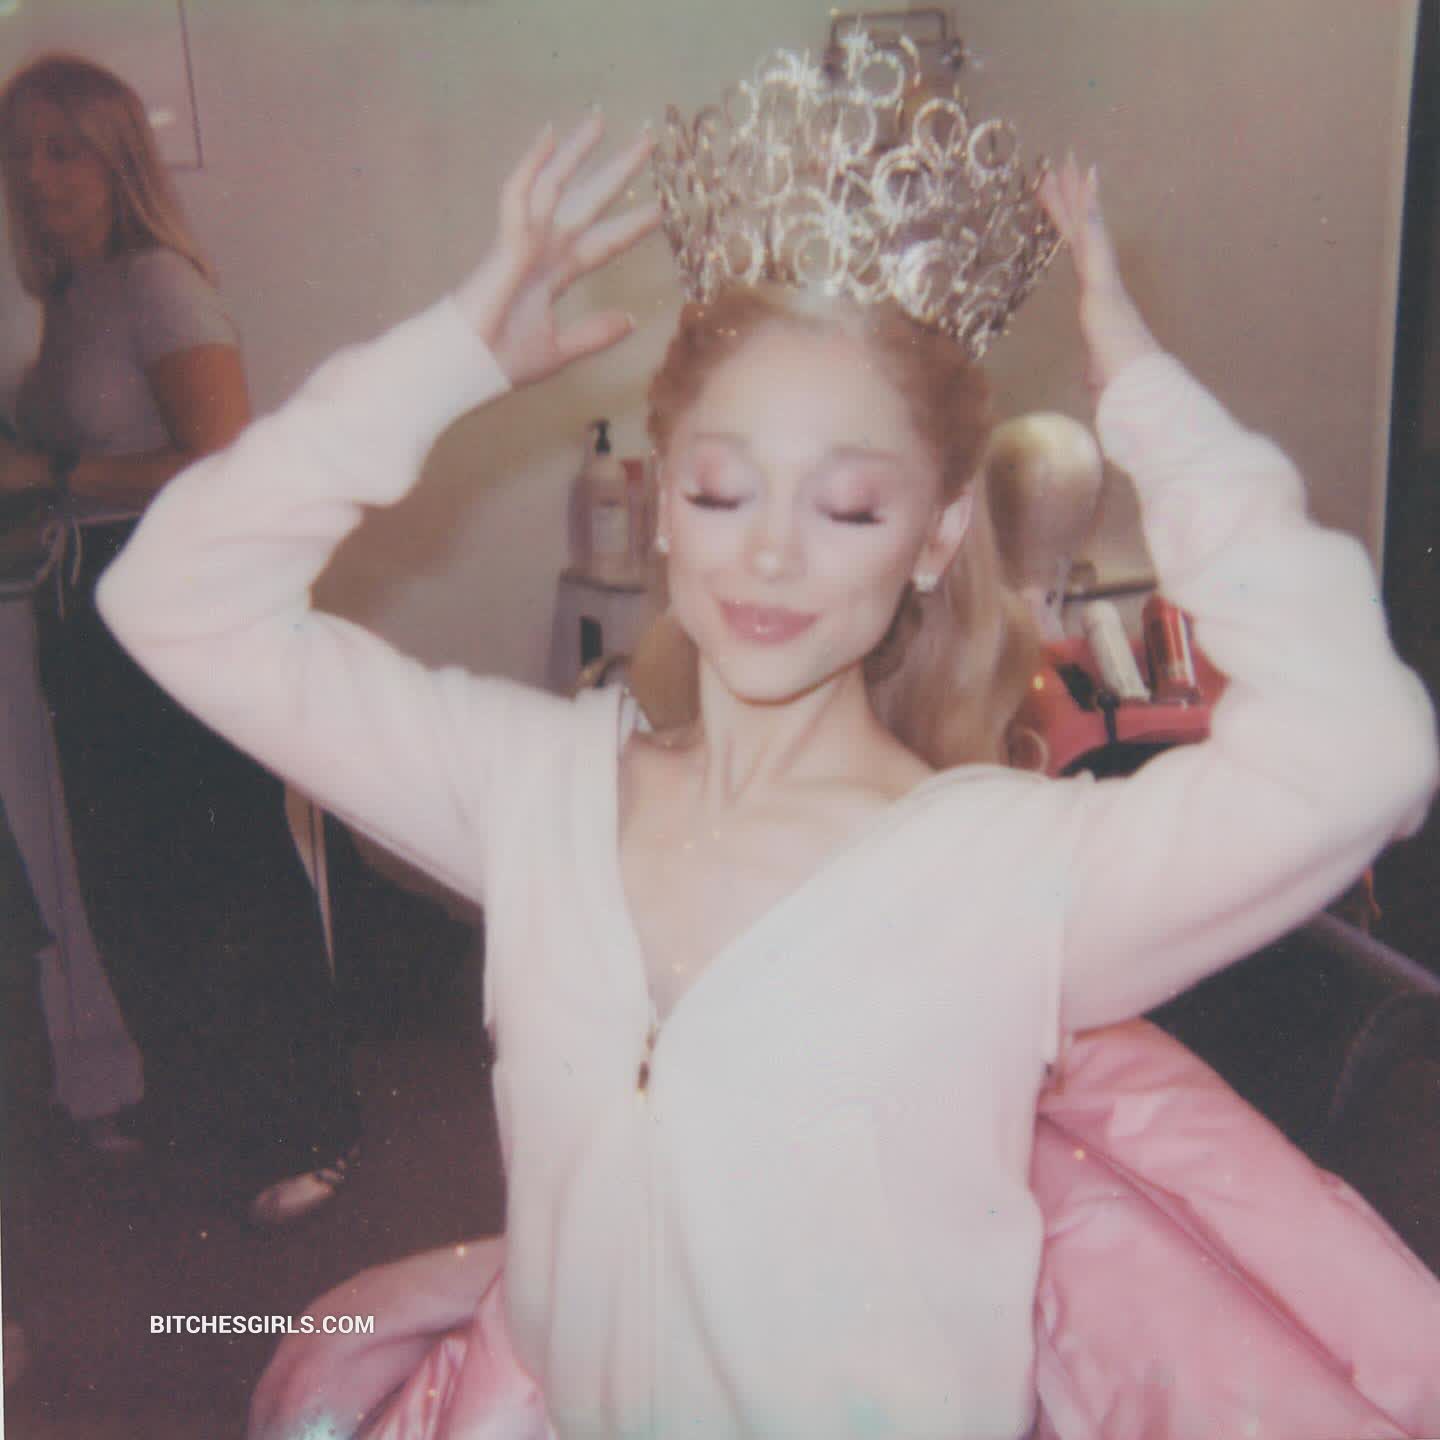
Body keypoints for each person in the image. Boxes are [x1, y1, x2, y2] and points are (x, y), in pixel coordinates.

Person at [96, 36, 1436, 1440]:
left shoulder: (1003, 876)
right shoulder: (530, 790)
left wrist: (1145, 394)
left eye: (849, 508)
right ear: (663, 507)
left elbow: (1363, 748)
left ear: (939, 538)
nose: (773, 555)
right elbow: (172, 596)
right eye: (724, 491)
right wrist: (444, 360)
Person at [0, 53, 360, 1224]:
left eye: (64, 148)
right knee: (134, 889)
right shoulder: (74, 296)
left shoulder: (158, 284)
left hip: (177, 616)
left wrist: (52, 470)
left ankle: (314, 1133)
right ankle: (202, 1112)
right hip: (90, 615)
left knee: (227, 880)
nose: (37, 174)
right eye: (20, 151)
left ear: (118, 160)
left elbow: (225, 458)